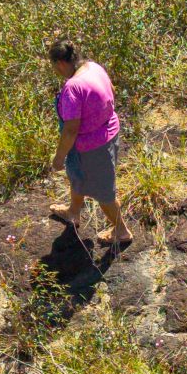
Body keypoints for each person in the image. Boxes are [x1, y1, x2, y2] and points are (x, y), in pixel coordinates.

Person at [46, 41, 132, 251]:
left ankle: (121, 231)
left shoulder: (72, 87)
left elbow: (70, 130)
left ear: (60, 63)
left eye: (54, 66)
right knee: (77, 175)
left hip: (92, 146)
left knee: (104, 192)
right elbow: (111, 90)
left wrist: (58, 158)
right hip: (108, 131)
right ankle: (73, 212)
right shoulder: (93, 67)